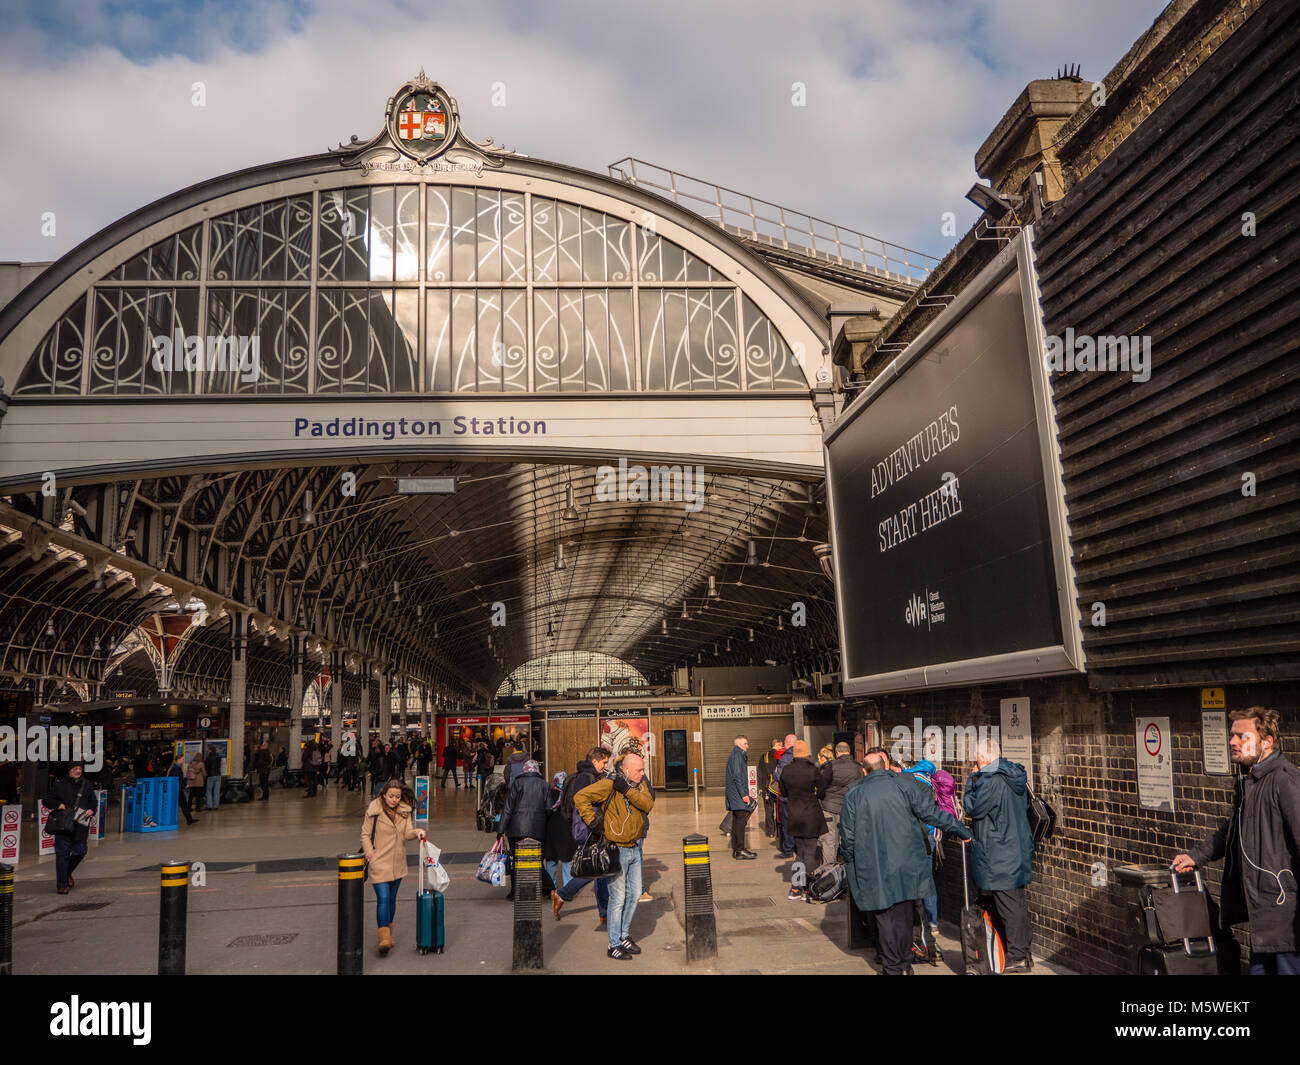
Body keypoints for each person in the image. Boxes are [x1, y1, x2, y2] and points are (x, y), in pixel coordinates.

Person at [1173, 705, 1300, 975]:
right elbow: (1232, 830)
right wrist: (1197, 856)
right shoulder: (1250, 782)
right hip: (1263, 917)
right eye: (1232, 735)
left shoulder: (1285, 781)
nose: (1232, 741)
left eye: (1242, 736)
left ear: (1266, 742)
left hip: (1286, 918)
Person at [839, 751, 971, 974]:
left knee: (885, 918)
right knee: (903, 916)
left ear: (864, 771)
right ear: (886, 766)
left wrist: (851, 866)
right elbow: (931, 814)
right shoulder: (905, 787)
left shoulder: (854, 794)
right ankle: (904, 964)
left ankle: (893, 967)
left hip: (874, 867)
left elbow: (848, 838)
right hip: (907, 863)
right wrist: (961, 830)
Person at [964, 736, 1035, 974]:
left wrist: (970, 780)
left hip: (1000, 853)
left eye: (976, 761)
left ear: (984, 758)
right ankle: (1018, 953)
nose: (975, 765)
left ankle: (1017, 956)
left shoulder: (991, 781)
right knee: (1014, 904)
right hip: (1013, 849)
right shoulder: (1012, 775)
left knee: (1009, 907)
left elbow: (972, 807)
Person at [574, 752, 654, 961]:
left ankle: (624, 934)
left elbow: (648, 805)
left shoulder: (638, 784)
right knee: (617, 898)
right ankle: (614, 943)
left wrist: (627, 789)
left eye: (643, 770)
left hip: (635, 847)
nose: (642, 774)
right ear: (626, 769)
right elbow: (580, 797)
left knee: (635, 893)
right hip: (616, 849)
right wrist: (592, 821)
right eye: (639, 770)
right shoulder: (609, 784)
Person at [360, 779, 427, 956]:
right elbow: (365, 835)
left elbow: (407, 833)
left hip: (397, 863)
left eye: (397, 796)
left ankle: (388, 934)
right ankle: (383, 938)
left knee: (391, 900)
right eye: (391, 796)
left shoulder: (405, 811)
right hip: (378, 862)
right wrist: (370, 856)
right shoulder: (374, 810)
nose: (394, 799)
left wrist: (417, 832)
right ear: (383, 794)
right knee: (383, 898)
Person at [550, 748, 612, 925]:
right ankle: (562, 894)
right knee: (596, 868)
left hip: (593, 827)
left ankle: (604, 912)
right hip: (590, 829)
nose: (605, 765)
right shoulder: (586, 777)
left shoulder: (591, 775)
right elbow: (582, 804)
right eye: (604, 762)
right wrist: (594, 823)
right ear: (595, 761)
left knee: (600, 870)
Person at [41, 762, 98, 893]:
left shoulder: (86, 784)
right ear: (69, 770)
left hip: (80, 825)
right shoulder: (60, 785)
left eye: (80, 769)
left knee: (81, 851)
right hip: (63, 825)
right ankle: (62, 885)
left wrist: (91, 810)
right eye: (75, 769)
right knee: (62, 854)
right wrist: (58, 804)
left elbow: (93, 801)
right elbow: (47, 800)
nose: (78, 771)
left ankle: (66, 873)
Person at [497, 758, 550, 901]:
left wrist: (500, 830)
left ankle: (515, 891)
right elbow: (549, 808)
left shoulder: (516, 784)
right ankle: (538, 890)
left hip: (516, 830)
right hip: (537, 830)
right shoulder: (544, 785)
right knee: (535, 860)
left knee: (516, 860)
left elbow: (507, 809)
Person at [779, 740, 825, 900]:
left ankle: (796, 888)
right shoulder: (813, 769)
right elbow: (821, 791)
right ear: (806, 753)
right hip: (811, 814)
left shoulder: (786, 770)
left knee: (799, 853)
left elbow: (783, 793)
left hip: (795, 815)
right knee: (811, 852)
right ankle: (809, 888)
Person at [818, 741, 864, 867]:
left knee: (829, 841)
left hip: (829, 808)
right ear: (849, 752)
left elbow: (821, 786)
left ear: (836, 753)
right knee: (849, 840)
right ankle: (848, 869)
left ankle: (829, 872)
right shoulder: (858, 767)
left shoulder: (831, 766)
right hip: (850, 810)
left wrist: (821, 799)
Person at [543, 770, 575, 894]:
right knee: (567, 862)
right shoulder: (570, 795)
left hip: (552, 832)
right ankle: (568, 890)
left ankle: (551, 890)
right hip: (567, 832)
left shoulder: (549, 793)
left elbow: (546, 811)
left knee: (551, 862)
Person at [725, 735, 757, 860]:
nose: (747, 746)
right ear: (738, 743)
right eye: (745, 744)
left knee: (737, 821)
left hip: (735, 794)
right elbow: (737, 776)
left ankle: (737, 849)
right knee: (741, 822)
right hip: (738, 794)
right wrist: (744, 794)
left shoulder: (737, 754)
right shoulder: (737, 755)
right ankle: (740, 850)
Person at [773, 733, 797, 858]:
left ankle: (788, 850)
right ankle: (798, 848)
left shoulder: (785, 757)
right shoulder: (803, 755)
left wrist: (775, 771)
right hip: (800, 797)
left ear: (787, 743)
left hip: (786, 797)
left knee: (787, 824)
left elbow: (779, 776)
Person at [757, 737, 783, 838]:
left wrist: (760, 786)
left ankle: (770, 832)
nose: (782, 747)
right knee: (780, 811)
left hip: (766, 787)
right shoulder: (782, 756)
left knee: (769, 811)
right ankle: (779, 831)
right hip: (778, 788)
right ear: (777, 745)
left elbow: (759, 772)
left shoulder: (764, 756)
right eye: (780, 745)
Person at [203, 744, 222, 810]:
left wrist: (206, 774)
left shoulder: (209, 757)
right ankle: (216, 806)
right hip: (218, 775)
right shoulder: (218, 756)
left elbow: (207, 767)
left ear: (210, 750)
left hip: (211, 776)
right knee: (216, 791)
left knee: (209, 791)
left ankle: (209, 805)